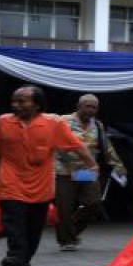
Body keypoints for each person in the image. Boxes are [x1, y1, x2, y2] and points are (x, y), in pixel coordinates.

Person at [0, 85, 98, 266]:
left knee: (34, 225)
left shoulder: (54, 123)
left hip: (42, 185)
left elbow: (77, 145)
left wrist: (92, 164)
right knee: (14, 221)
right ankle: (15, 256)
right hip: (11, 182)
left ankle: (24, 257)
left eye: (22, 101)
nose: (16, 105)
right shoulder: (3, 122)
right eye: (14, 101)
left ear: (37, 105)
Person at [53, 93, 126, 251]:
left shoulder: (97, 125)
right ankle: (67, 240)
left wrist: (118, 166)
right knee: (64, 207)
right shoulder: (63, 121)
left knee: (94, 203)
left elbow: (107, 147)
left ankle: (69, 230)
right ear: (79, 106)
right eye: (88, 106)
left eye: (94, 107)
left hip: (87, 170)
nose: (91, 110)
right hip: (64, 170)